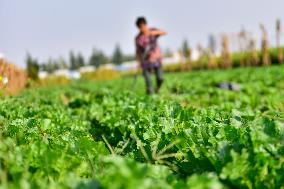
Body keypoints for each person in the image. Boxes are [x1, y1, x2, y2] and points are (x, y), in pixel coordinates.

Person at [135, 17, 167, 94]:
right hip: (145, 62)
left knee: (160, 78)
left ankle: (158, 88)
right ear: (138, 27)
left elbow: (164, 32)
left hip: (156, 59)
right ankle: (151, 95)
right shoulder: (138, 38)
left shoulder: (152, 31)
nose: (142, 28)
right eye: (140, 27)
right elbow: (138, 51)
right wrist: (138, 61)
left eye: (143, 25)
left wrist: (153, 33)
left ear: (146, 24)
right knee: (149, 82)